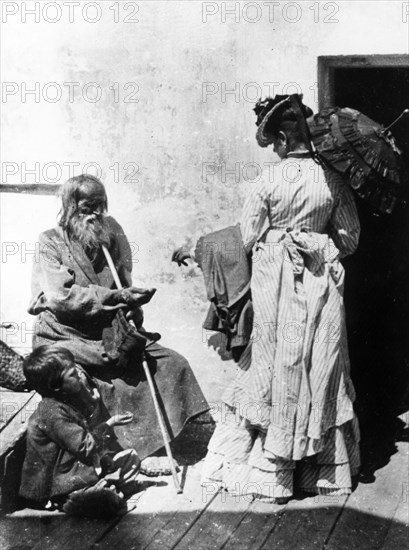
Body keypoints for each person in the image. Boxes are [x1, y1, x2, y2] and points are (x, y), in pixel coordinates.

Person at [195, 94, 361, 501]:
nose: (275, 150)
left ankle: (272, 473)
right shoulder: (333, 180)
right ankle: (320, 473)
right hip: (320, 282)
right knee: (319, 363)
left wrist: (281, 237)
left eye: (274, 143)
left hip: (276, 282)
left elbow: (248, 236)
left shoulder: (268, 180)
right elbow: (351, 240)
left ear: (285, 139)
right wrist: (315, 241)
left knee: (272, 365)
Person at [28, 174, 208, 467]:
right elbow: (61, 297)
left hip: (108, 333)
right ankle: (118, 456)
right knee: (88, 385)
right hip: (65, 335)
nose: (96, 214)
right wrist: (116, 297)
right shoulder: (50, 241)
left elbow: (125, 281)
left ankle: (156, 446)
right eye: (88, 207)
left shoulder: (111, 232)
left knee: (171, 364)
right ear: (71, 207)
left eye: (101, 205)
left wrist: (133, 308)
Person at [19, 346, 140, 518]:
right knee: (109, 500)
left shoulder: (63, 400)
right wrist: (109, 424)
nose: (78, 374)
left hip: (76, 469)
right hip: (59, 484)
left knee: (131, 458)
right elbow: (85, 446)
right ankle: (71, 501)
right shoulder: (51, 413)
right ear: (55, 386)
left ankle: (103, 488)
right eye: (72, 374)